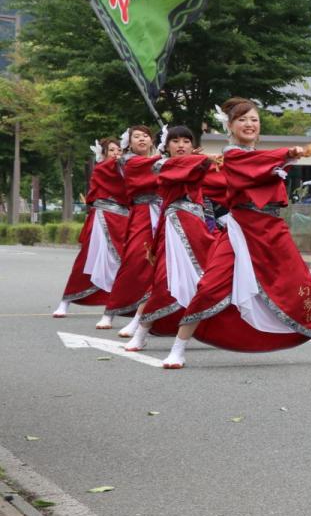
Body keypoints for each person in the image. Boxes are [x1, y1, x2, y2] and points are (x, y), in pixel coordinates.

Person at [162, 97, 311, 368]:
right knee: (210, 286)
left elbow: (261, 165)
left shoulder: (261, 157)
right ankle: (178, 348)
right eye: (242, 119)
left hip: (272, 229)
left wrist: (283, 159)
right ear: (230, 126)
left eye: (254, 119)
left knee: (302, 283)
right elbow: (254, 164)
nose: (249, 124)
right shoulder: (233, 154)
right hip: (241, 230)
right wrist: (287, 154)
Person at [125, 126, 218, 351]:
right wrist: (202, 159)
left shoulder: (198, 164)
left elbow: (221, 181)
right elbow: (177, 169)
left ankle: (220, 329)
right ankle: (141, 332)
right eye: (175, 141)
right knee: (163, 280)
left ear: (193, 146)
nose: (181, 145)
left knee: (210, 280)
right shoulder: (161, 165)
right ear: (166, 147)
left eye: (186, 141)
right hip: (173, 228)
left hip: (197, 228)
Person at [96, 125, 161, 332]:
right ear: (129, 143)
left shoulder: (161, 160)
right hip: (142, 214)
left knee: (163, 266)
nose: (142, 139)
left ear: (151, 140)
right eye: (137, 136)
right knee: (133, 261)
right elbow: (152, 169)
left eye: (145, 136)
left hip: (165, 213)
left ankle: (150, 317)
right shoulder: (129, 161)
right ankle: (110, 312)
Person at [54, 138, 126, 317]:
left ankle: (114, 305)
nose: (116, 153)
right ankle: (65, 301)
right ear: (103, 154)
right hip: (102, 219)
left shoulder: (127, 169)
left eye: (119, 150)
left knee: (121, 263)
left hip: (123, 221)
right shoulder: (101, 169)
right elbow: (110, 172)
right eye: (111, 150)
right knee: (87, 260)